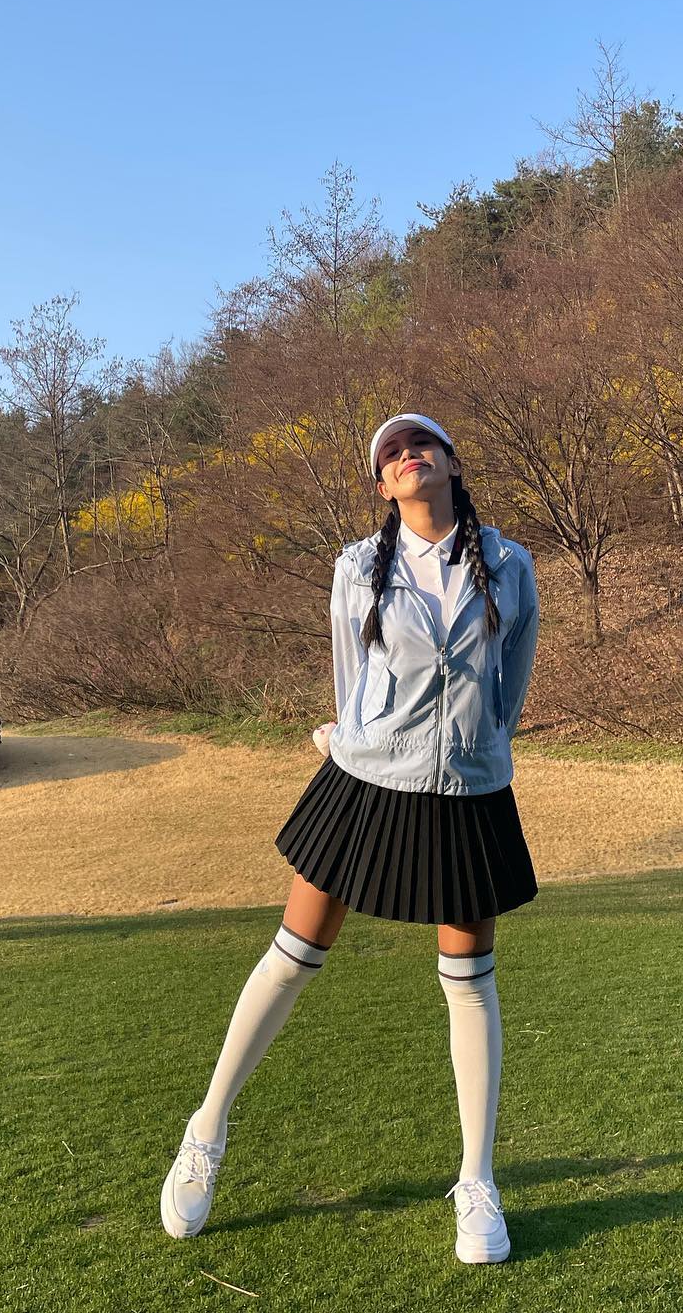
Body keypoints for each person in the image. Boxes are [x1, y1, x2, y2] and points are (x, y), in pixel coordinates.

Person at [160, 412, 540, 1264]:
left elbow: (509, 686)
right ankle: (206, 1131)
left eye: (421, 445)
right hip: (365, 782)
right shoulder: (357, 566)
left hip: (470, 791)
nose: (408, 457)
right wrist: (355, 737)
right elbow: (350, 675)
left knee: (470, 984)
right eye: (391, 454)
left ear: (451, 463)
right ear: (381, 484)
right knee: (291, 958)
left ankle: (477, 1182)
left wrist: (475, 748)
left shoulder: (511, 565)